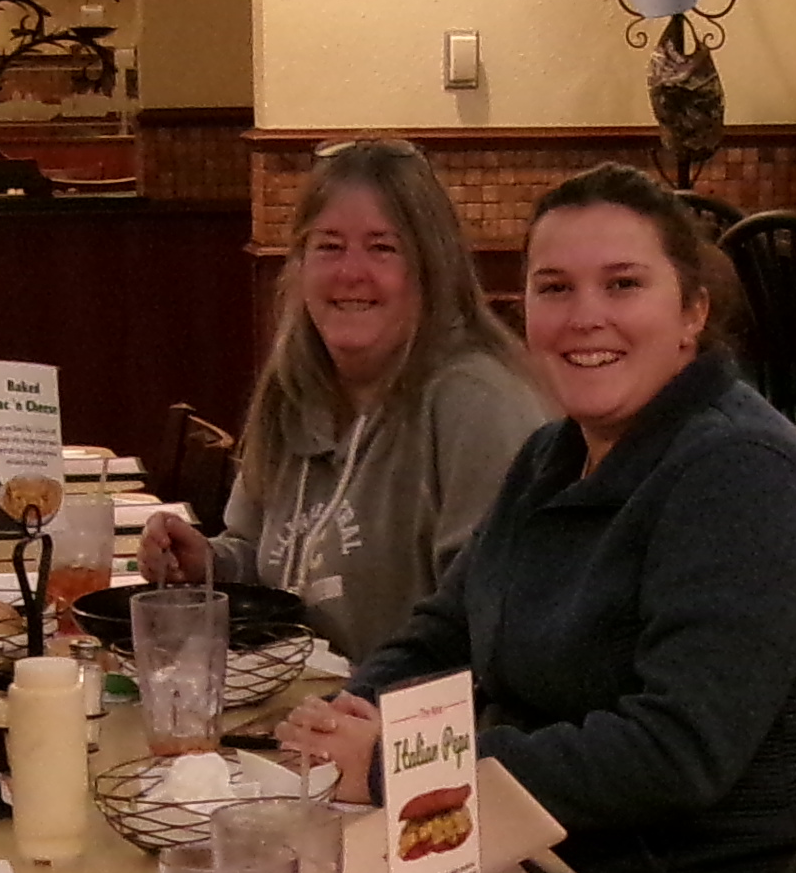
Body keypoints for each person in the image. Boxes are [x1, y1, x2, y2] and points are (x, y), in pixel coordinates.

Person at [297, 163, 796, 873]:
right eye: (554, 288)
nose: (585, 317)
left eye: (623, 285)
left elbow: (673, 753)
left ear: (692, 313)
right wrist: (354, 710)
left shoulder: (739, 477)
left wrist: (398, 772)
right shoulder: (553, 454)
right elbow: (447, 630)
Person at [137, 135, 545, 659]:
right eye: (328, 245)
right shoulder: (296, 384)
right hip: (290, 714)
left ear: (431, 267)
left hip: (405, 728)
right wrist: (203, 566)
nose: (351, 273)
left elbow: (487, 627)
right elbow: (257, 556)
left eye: (382, 247)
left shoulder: (477, 404)